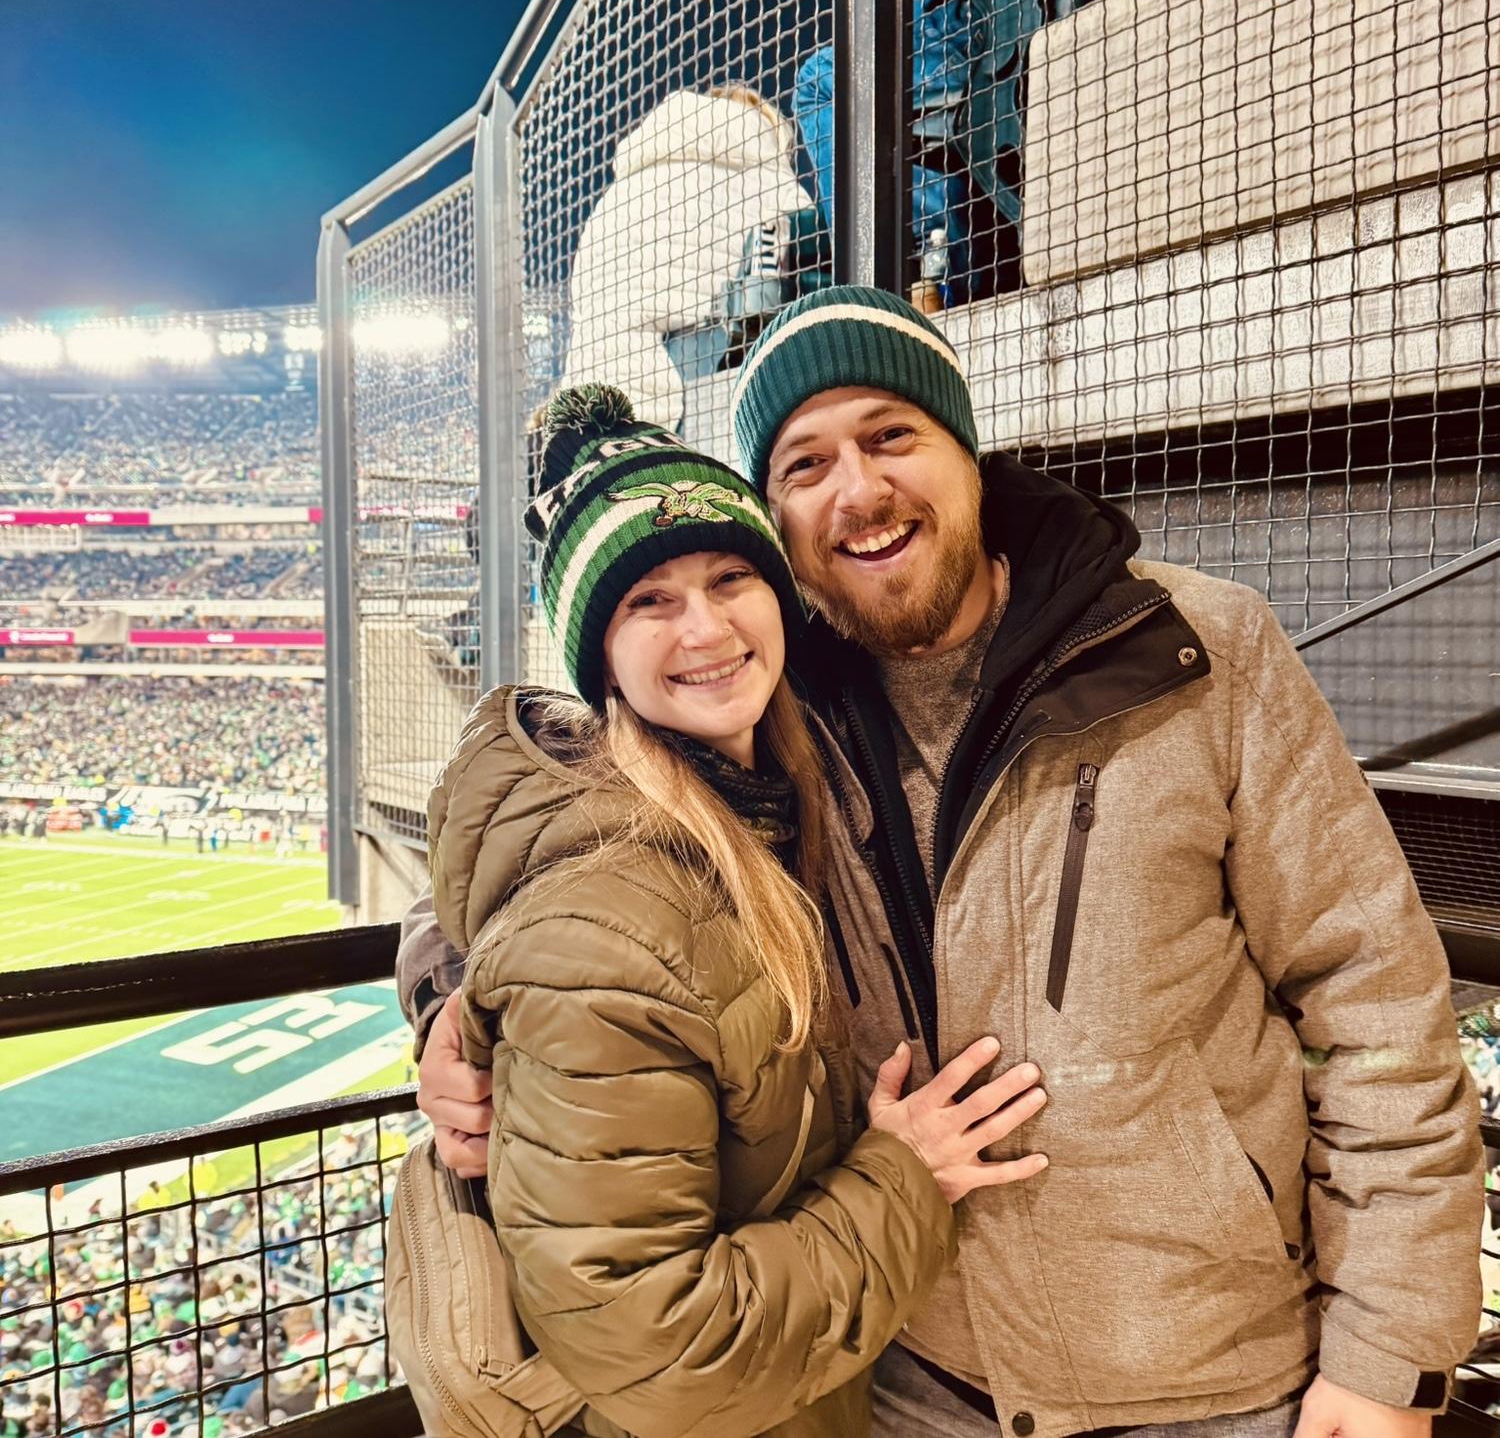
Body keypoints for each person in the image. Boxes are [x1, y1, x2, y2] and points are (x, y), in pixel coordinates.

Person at [401, 289, 1482, 1438]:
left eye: (890, 436)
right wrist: (451, 1007)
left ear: (966, 451)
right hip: (908, 1378)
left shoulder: (1197, 646)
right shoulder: (758, 694)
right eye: (806, 464)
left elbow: (1376, 999)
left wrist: (1388, 1354)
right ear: (778, 516)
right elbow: (545, 846)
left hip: (1213, 1381)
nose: (859, 491)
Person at [411, 382, 1049, 1436]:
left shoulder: (772, 789)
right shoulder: (613, 918)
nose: (705, 628)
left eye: (729, 578)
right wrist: (906, 1179)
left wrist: (450, 996)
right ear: (597, 656)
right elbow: (662, 1351)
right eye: (648, 601)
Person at [559, 86, 814, 430]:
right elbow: (805, 259)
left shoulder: (615, 197)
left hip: (590, 398)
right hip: (696, 390)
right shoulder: (768, 180)